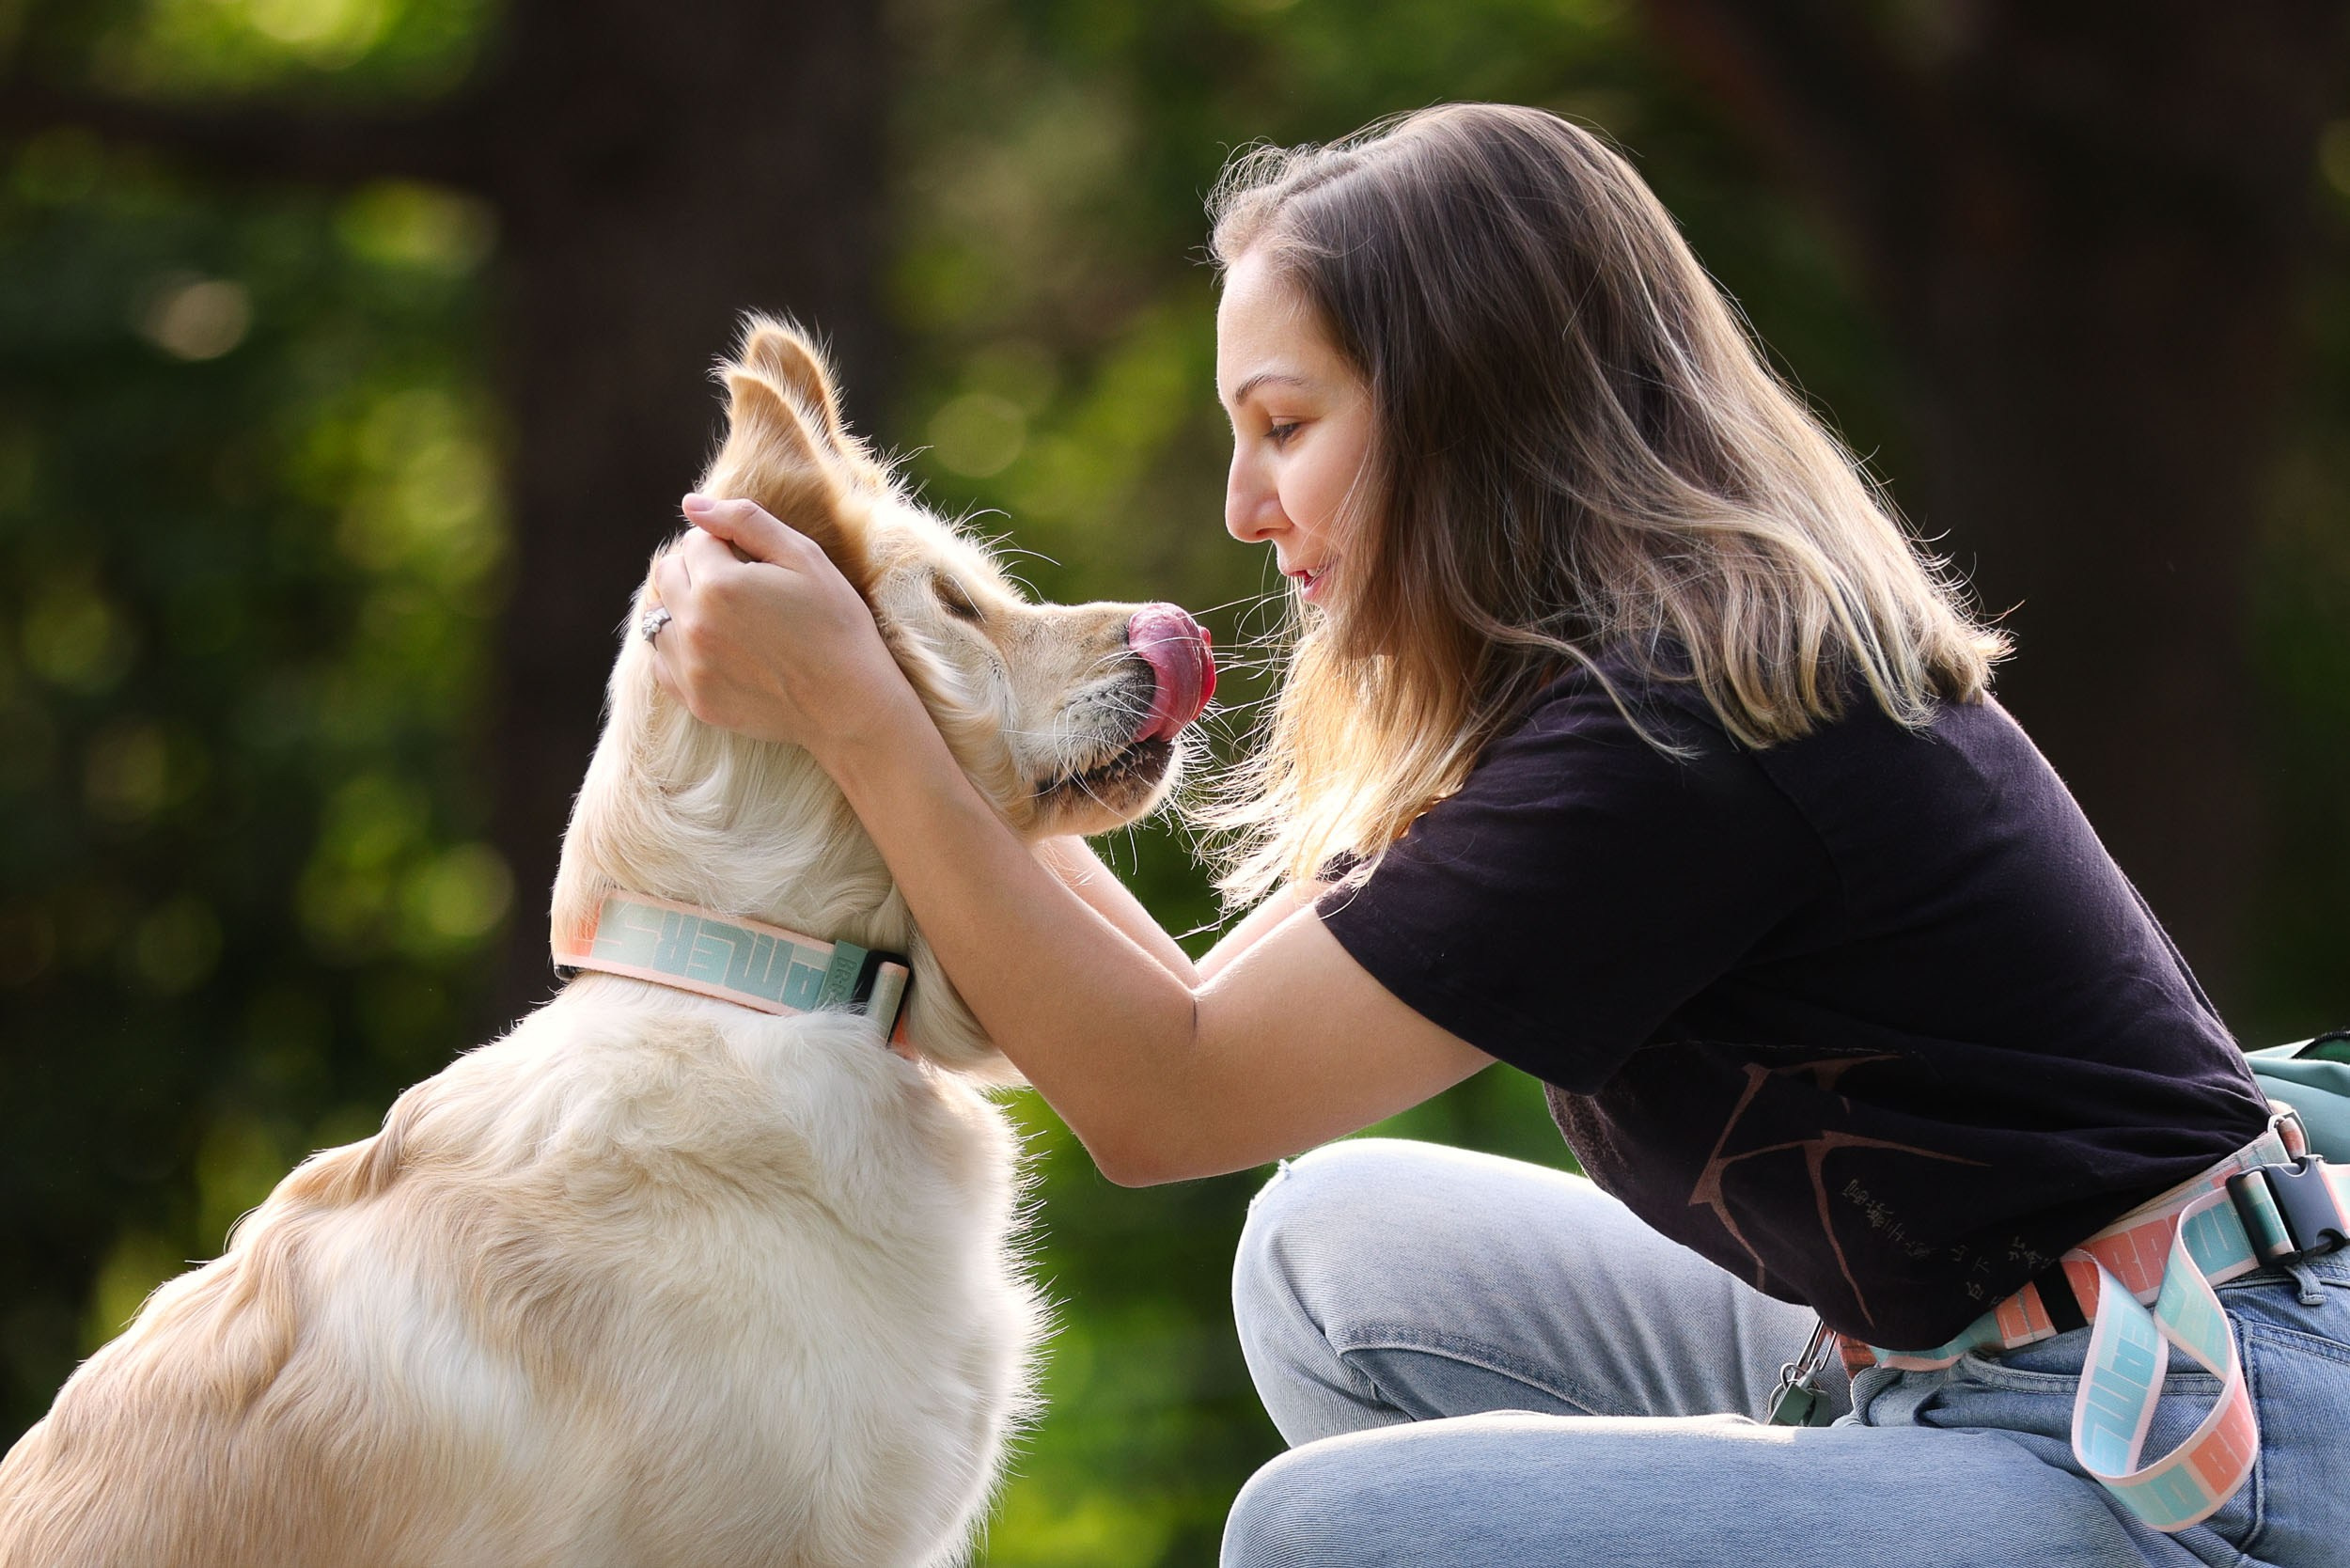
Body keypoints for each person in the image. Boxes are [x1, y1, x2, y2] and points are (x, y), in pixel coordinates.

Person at [645, 104, 2349, 1568]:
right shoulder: (1588, 689)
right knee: (1335, 1248)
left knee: (1323, 1541)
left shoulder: (1674, 732)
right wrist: (930, 713)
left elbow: (1156, 1101)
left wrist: (864, 721)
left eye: (1287, 426)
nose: (1247, 507)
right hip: (1964, 1346)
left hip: (2172, 1437)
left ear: (1470, 407)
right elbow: (1182, 1015)